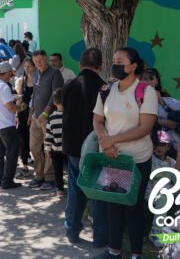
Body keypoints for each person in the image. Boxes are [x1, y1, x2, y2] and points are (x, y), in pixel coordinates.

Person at [92, 47, 158, 259]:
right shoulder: (106, 90)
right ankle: (114, 251)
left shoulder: (145, 92)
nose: (115, 64)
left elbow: (145, 127)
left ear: (133, 66)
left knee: (133, 206)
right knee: (114, 205)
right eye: (113, 60)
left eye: (120, 60)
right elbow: (98, 120)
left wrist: (113, 140)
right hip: (113, 158)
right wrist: (106, 141)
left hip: (136, 159)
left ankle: (137, 253)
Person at [61, 48, 108, 247]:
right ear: (101, 66)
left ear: (80, 65)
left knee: (75, 190)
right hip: (96, 147)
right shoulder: (105, 88)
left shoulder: (69, 85)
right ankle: (100, 237)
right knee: (97, 192)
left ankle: (72, 230)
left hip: (73, 146)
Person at [27, 50, 64, 190]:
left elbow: (55, 96)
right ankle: (38, 175)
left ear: (46, 59)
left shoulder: (55, 73)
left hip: (49, 117)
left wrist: (46, 113)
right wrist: (32, 113)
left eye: (40, 60)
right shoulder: (35, 73)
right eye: (35, 61)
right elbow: (35, 95)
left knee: (49, 148)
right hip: (36, 116)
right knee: (34, 147)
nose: (38, 64)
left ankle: (49, 177)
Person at [0, 62, 22, 189]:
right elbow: (9, 106)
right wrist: (19, 107)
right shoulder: (4, 86)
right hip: (7, 124)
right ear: (6, 73)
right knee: (12, 153)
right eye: (10, 73)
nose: (11, 76)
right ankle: (7, 180)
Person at [15, 58, 35, 179]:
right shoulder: (21, 81)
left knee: (36, 142)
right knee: (23, 139)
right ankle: (25, 166)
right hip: (23, 112)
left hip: (35, 113)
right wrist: (17, 114)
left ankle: (39, 166)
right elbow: (19, 99)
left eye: (29, 66)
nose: (27, 69)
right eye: (25, 67)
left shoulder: (39, 80)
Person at [46, 88, 66, 197]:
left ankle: (59, 189)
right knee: (71, 169)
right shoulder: (69, 116)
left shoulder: (52, 117)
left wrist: (47, 148)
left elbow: (49, 135)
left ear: (54, 103)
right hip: (68, 149)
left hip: (55, 149)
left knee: (57, 170)